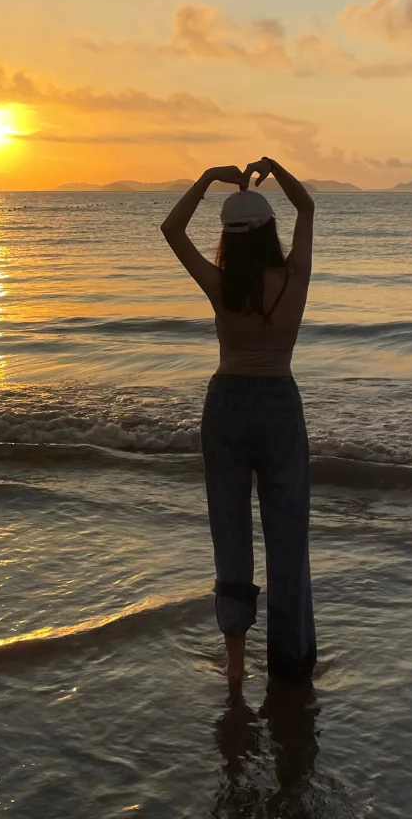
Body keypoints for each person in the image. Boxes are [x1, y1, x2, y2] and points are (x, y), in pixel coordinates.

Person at [161, 156, 317, 686]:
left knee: (230, 532)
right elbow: (308, 206)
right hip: (279, 405)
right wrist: (276, 168)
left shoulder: (221, 284)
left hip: (226, 405)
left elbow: (171, 228)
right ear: (271, 231)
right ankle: (289, 659)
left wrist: (206, 177)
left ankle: (233, 665)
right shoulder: (294, 276)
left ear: (227, 235)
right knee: (288, 535)